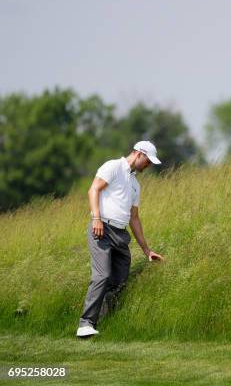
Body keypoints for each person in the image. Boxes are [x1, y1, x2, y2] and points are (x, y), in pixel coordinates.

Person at [76, 141, 165, 338]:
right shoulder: (113, 166)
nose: (148, 166)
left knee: (119, 279)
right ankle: (85, 323)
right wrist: (96, 218)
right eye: (148, 161)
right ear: (139, 153)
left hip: (120, 234)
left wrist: (147, 250)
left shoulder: (135, 184)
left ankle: (103, 322)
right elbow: (94, 190)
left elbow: (134, 217)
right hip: (102, 228)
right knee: (102, 275)